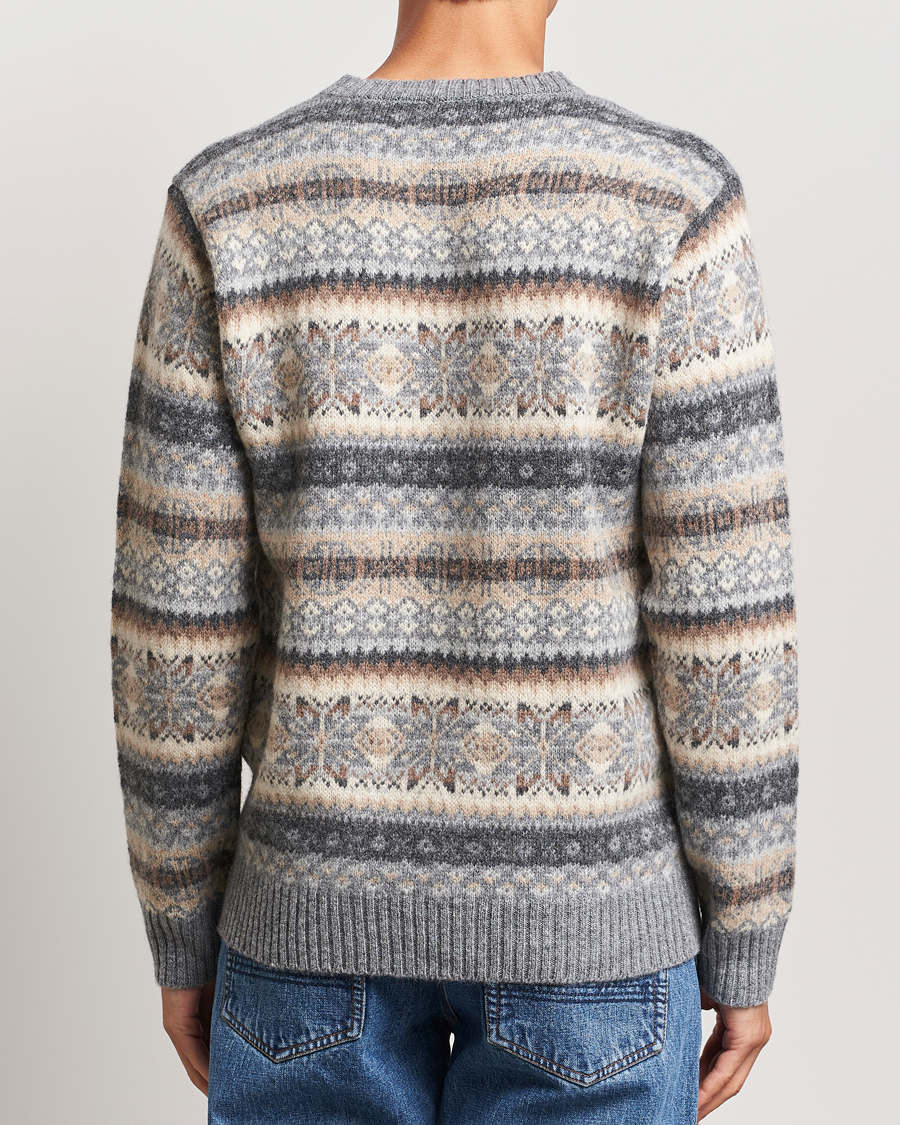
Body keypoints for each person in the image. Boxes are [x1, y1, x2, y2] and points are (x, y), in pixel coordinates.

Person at [110, 0, 799, 1120]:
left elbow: (172, 629)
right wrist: (747, 935)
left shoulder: (230, 200)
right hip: (591, 933)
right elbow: (728, 621)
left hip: (305, 920)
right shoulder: (672, 200)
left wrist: (181, 925)